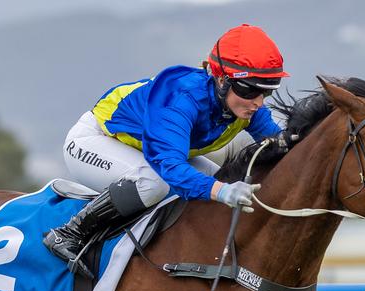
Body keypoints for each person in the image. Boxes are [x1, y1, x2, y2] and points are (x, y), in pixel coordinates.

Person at [44, 24, 291, 277]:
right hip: (95, 139)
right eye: (249, 90)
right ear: (220, 78)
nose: (258, 102)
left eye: (266, 91)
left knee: (219, 178)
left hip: (145, 150)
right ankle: (69, 233)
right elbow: (171, 167)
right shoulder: (181, 99)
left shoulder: (245, 105)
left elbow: (276, 142)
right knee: (154, 183)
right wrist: (222, 191)